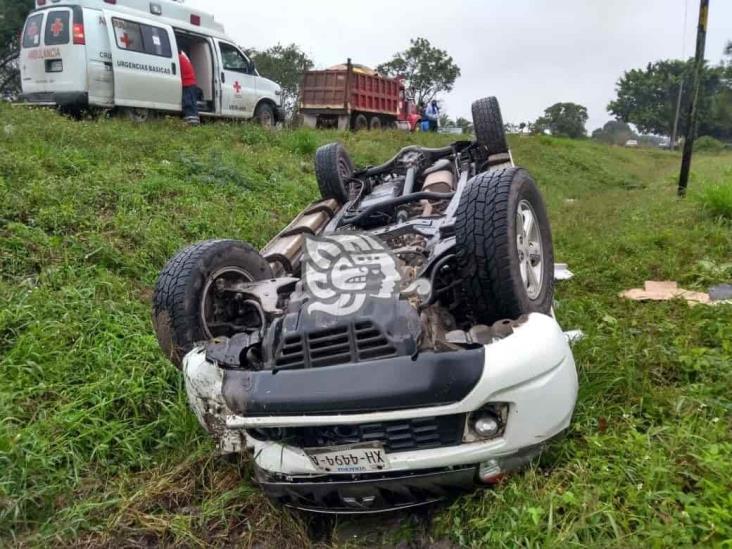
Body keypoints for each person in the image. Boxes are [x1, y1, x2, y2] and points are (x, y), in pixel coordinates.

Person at [179, 50, 200, 125]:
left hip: (187, 83)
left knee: (188, 104)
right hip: (190, 82)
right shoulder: (183, 56)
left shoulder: (179, 57)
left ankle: (192, 124)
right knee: (191, 104)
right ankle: (194, 122)